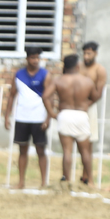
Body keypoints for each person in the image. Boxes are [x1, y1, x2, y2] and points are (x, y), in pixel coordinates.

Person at [43, 54, 98, 186]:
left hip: (65, 114)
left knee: (67, 151)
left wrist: (52, 113)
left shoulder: (59, 80)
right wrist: (86, 104)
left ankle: (67, 181)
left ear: (65, 66)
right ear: (78, 66)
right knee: (85, 151)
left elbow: (45, 96)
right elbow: (95, 96)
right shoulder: (87, 81)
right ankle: (90, 181)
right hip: (81, 114)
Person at [3, 47, 49, 189]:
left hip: (39, 118)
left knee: (40, 150)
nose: (35, 61)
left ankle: (43, 183)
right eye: (33, 58)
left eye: (38, 58)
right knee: (22, 150)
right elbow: (12, 95)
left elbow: (49, 97)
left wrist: (48, 118)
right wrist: (7, 116)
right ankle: (21, 182)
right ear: (27, 58)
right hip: (22, 117)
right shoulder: (19, 75)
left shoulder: (45, 74)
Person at [78, 40, 107, 146]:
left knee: (89, 137)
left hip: (90, 105)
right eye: (84, 53)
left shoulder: (99, 70)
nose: (86, 56)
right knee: (73, 135)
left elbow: (99, 92)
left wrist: (87, 105)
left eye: (89, 54)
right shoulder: (78, 66)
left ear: (95, 53)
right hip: (75, 105)